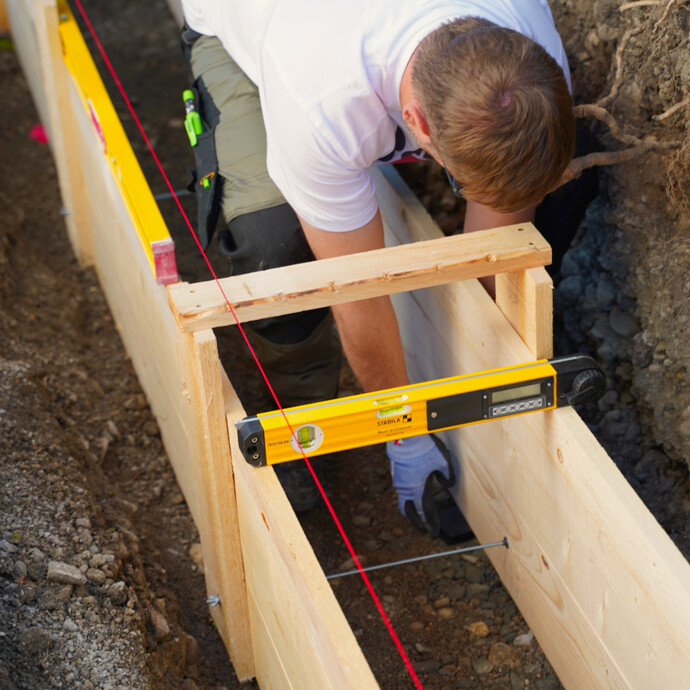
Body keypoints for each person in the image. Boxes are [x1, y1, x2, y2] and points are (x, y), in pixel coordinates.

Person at [179, 0, 577, 532]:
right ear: (415, 123)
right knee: (269, 239)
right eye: (458, 179)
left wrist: (482, 372)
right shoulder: (321, 106)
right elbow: (357, 293)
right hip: (242, 30)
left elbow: (496, 241)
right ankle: (303, 413)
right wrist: (403, 430)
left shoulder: (531, 66)